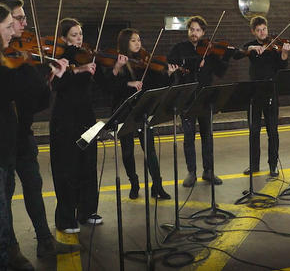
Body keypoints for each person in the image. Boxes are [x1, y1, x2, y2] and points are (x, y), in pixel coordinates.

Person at [0, 0, 74, 270]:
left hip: (23, 134)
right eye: (17, 19)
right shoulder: (8, 57)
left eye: (22, 19)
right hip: (5, 139)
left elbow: (34, 101)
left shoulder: (21, 53)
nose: (23, 24)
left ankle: (45, 239)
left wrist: (46, 79)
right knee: (4, 199)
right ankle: (11, 250)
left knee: (34, 188)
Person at [50, 18, 104, 233]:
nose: (79, 38)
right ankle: (65, 218)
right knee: (67, 168)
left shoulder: (87, 56)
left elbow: (101, 86)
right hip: (66, 118)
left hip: (86, 116)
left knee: (88, 164)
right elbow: (56, 85)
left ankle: (87, 210)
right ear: (63, 38)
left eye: (80, 34)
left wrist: (112, 68)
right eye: (74, 35)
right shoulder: (59, 57)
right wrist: (78, 70)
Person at [110, 28, 178, 199]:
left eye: (139, 39)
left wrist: (168, 74)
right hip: (124, 112)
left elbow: (155, 84)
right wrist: (127, 83)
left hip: (143, 110)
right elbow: (110, 88)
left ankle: (157, 185)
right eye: (133, 40)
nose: (138, 43)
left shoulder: (144, 61)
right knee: (127, 152)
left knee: (150, 151)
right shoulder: (118, 61)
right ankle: (134, 183)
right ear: (125, 42)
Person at [167, 15, 232, 187]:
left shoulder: (209, 51)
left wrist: (225, 56)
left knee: (207, 136)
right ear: (188, 31)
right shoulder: (179, 49)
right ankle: (191, 172)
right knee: (188, 137)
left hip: (205, 97)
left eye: (198, 30)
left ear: (203, 32)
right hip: (186, 98)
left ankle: (208, 171)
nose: (194, 33)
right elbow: (171, 68)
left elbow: (220, 72)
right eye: (192, 30)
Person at [233, 16, 290, 177]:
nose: (262, 32)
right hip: (253, 94)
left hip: (271, 92)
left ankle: (273, 165)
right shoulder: (250, 46)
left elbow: (282, 66)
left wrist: (284, 54)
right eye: (258, 30)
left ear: (267, 28)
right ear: (253, 31)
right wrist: (250, 48)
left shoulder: (275, 47)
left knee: (273, 131)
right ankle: (254, 165)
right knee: (254, 131)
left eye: (264, 29)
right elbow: (236, 54)